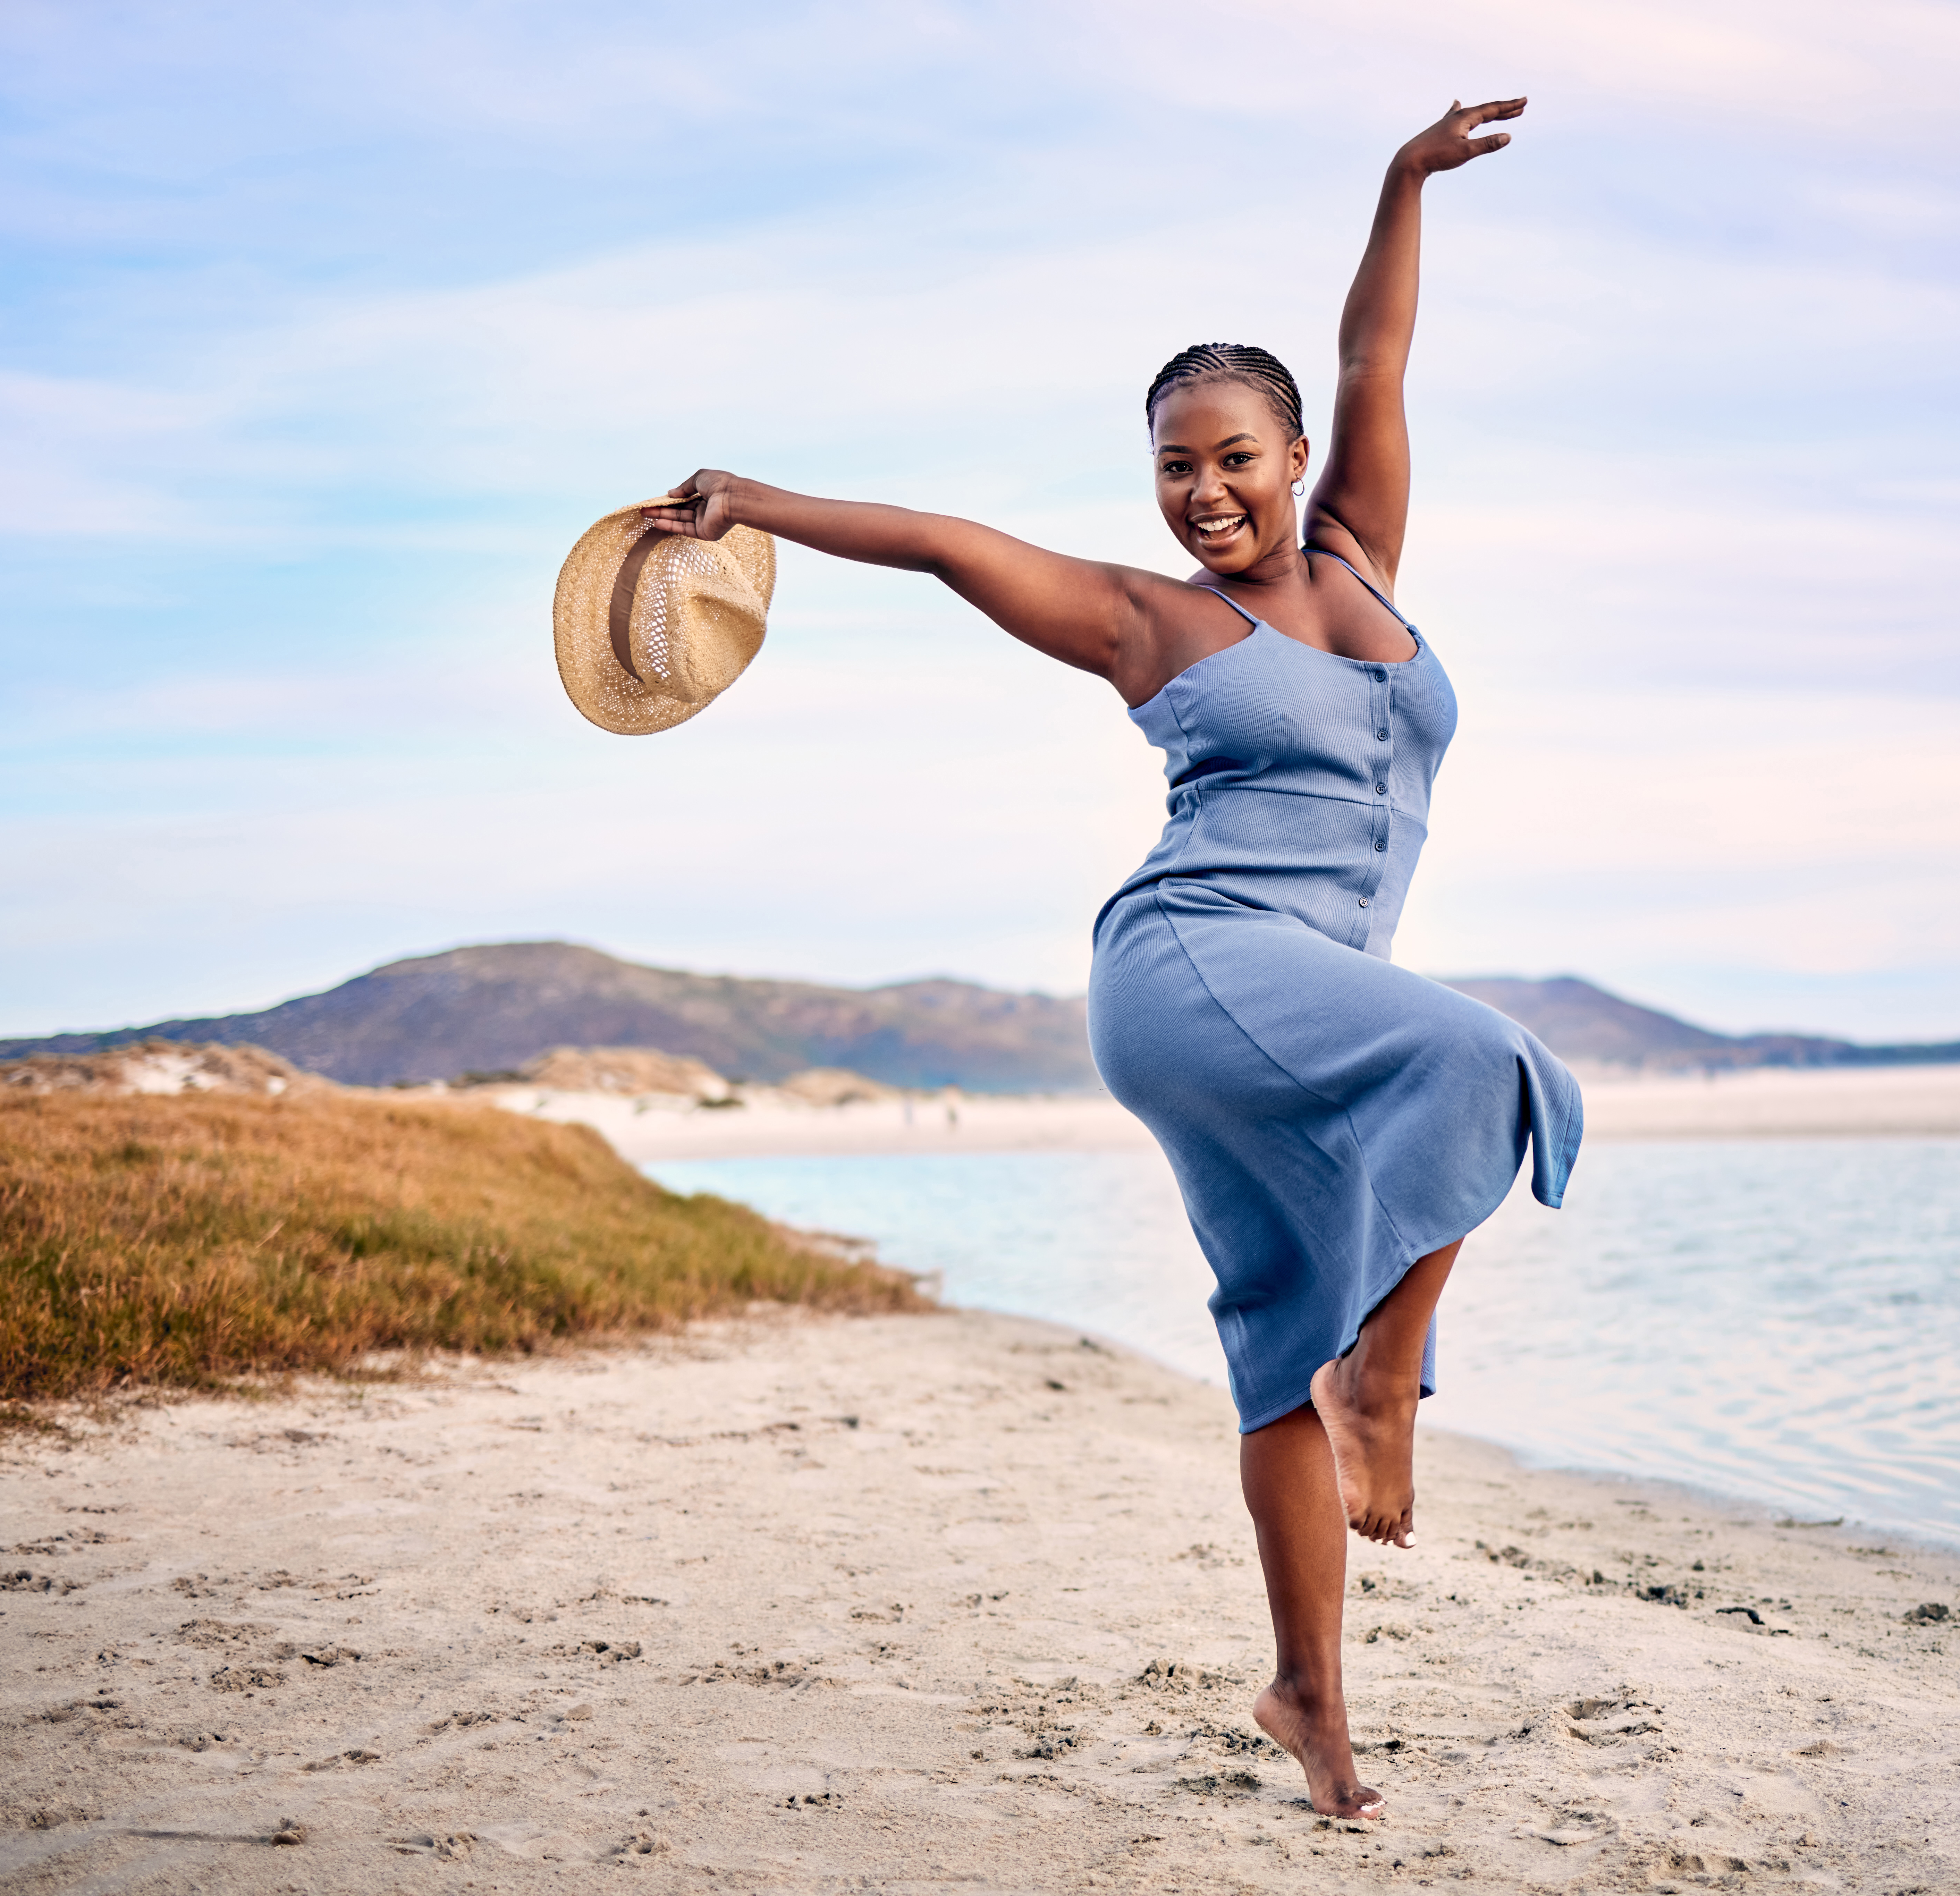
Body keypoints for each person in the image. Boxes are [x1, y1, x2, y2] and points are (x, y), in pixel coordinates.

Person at [639, 98, 1580, 1820]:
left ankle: (1310, 1700)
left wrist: (1398, 181)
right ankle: (1387, 1375)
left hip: (1298, 998)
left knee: (1268, 1332)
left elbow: (1378, 352)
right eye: (1173, 464)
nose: (1204, 488)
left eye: (1232, 453)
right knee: (1489, 1058)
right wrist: (752, 497)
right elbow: (940, 543)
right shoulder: (1146, 623)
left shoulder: (1364, 556)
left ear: (1290, 458)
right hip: (1193, 963)